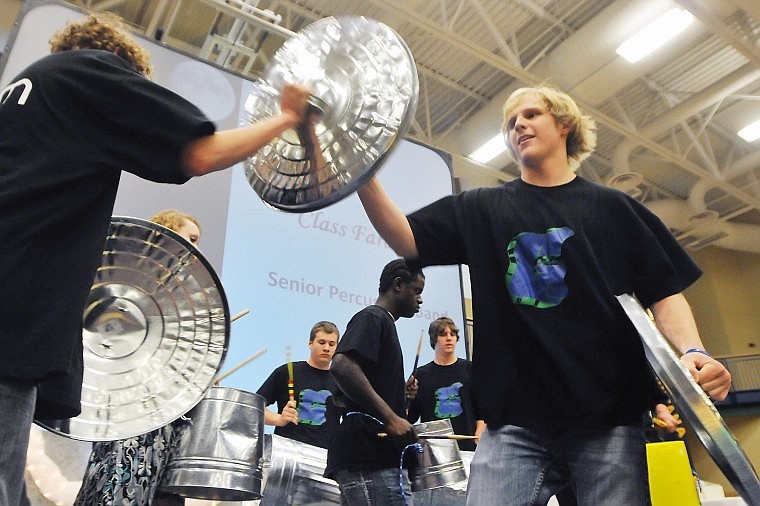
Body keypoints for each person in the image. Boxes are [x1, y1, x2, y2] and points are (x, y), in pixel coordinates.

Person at [354, 85, 732, 505]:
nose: (519, 124)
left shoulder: (614, 209)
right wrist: (360, 174)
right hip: (513, 424)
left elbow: (665, 293)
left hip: (608, 421)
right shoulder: (482, 208)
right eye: (512, 122)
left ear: (565, 125)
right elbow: (405, 238)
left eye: (532, 114)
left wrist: (693, 350)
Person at [0, 13, 312, 506]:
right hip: (12, 307)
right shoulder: (93, 73)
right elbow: (201, 152)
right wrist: (288, 119)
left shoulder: (27, 87)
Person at [72, 209, 203, 506]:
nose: (196, 248)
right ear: (165, 236)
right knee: (117, 488)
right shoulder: (130, 284)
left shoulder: (188, 298)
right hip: (130, 413)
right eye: (191, 238)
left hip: (166, 416)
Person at [325, 259, 425, 506]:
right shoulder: (373, 317)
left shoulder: (383, 322)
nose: (420, 300)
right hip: (369, 456)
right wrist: (391, 418)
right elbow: (342, 366)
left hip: (370, 456)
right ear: (398, 285)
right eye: (418, 291)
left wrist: (400, 396)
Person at [256, 320, 341, 449]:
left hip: (326, 457)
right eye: (322, 342)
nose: (326, 348)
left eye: (331, 344)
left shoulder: (343, 381)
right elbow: (254, 408)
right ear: (310, 343)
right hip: (286, 453)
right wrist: (278, 419)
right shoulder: (287, 371)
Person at [406, 316, 485, 451]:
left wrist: (480, 432)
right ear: (434, 339)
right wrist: (406, 398)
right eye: (443, 334)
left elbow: (481, 410)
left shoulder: (470, 369)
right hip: (434, 451)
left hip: (468, 447)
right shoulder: (420, 375)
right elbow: (411, 417)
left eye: (452, 334)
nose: (449, 338)